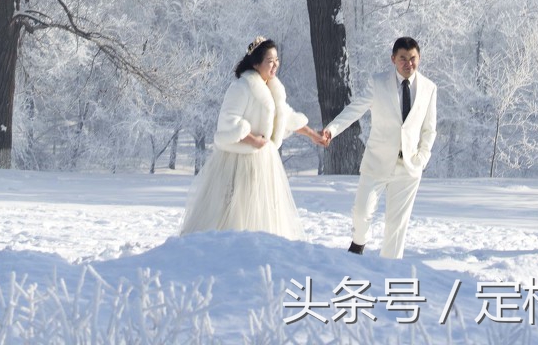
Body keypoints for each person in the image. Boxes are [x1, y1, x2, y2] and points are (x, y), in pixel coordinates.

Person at [180, 36, 326, 240]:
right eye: (270, 60)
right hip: (238, 161)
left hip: (264, 162)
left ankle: (261, 250)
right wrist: (252, 140)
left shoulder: (274, 89)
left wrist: (313, 135)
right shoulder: (242, 87)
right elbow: (227, 124)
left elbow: (286, 117)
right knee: (235, 212)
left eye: (276, 59)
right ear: (256, 63)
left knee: (262, 212)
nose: (275, 64)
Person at [323, 36, 437, 259]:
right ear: (393, 59)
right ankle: (359, 244)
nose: (408, 63)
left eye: (413, 58)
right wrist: (332, 130)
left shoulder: (429, 88)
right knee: (361, 212)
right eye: (403, 58)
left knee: (396, 226)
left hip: (409, 167)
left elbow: (429, 129)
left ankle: (389, 273)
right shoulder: (378, 83)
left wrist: (422, 158)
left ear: (419, 58)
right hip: (377, 161)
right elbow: (355, 109)